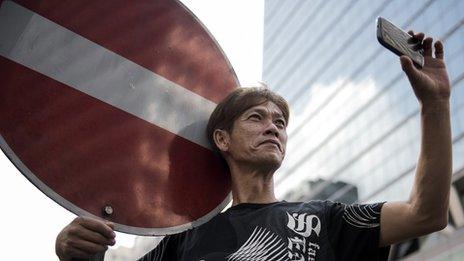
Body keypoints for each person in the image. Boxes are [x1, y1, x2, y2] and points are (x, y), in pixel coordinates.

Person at [55, 31, 452, 260]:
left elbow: (426, 214)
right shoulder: (181, 241)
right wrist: (79, 255)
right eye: (256, 118)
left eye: (279, 122)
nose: (273, 128)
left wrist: (435, 105)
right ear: (222, 139)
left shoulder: (325, 219)